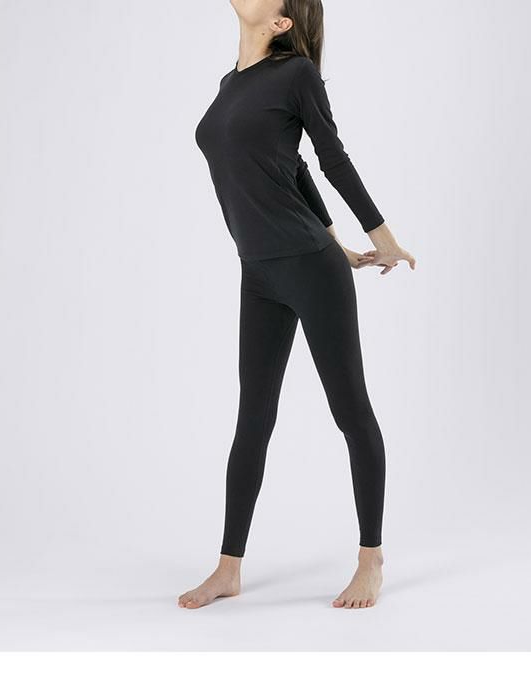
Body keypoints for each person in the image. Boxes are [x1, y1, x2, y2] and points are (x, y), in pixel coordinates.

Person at [178, 0, 415, 610]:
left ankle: (371, 560)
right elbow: (293, 166)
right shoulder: (231, 83)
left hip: (309, 268)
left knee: (350, 410)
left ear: (282, 23)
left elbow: (331, 156)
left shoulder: (297, 74)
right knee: (252, 418)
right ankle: (228, 568)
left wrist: (379, 236)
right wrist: (334, 235)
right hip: (258, 270)